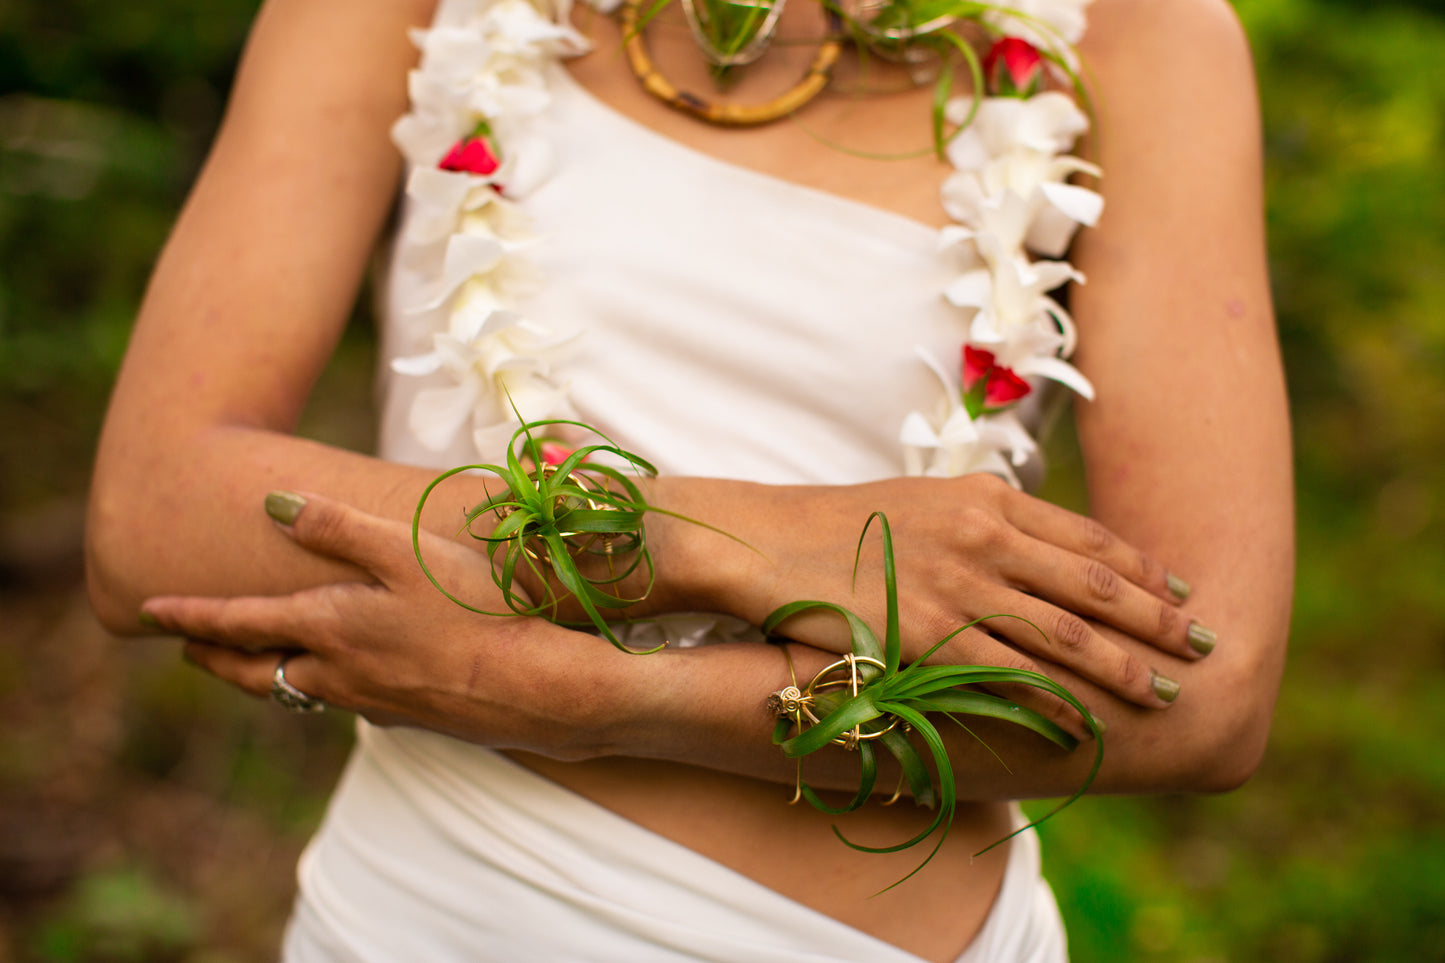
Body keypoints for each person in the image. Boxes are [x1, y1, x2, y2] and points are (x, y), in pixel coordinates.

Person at [86, 0, 1293, 958]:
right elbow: (155, 514)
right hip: (432, 912)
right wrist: (746, 544)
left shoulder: (1141, 38)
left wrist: (593, 699)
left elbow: (1207, 690)